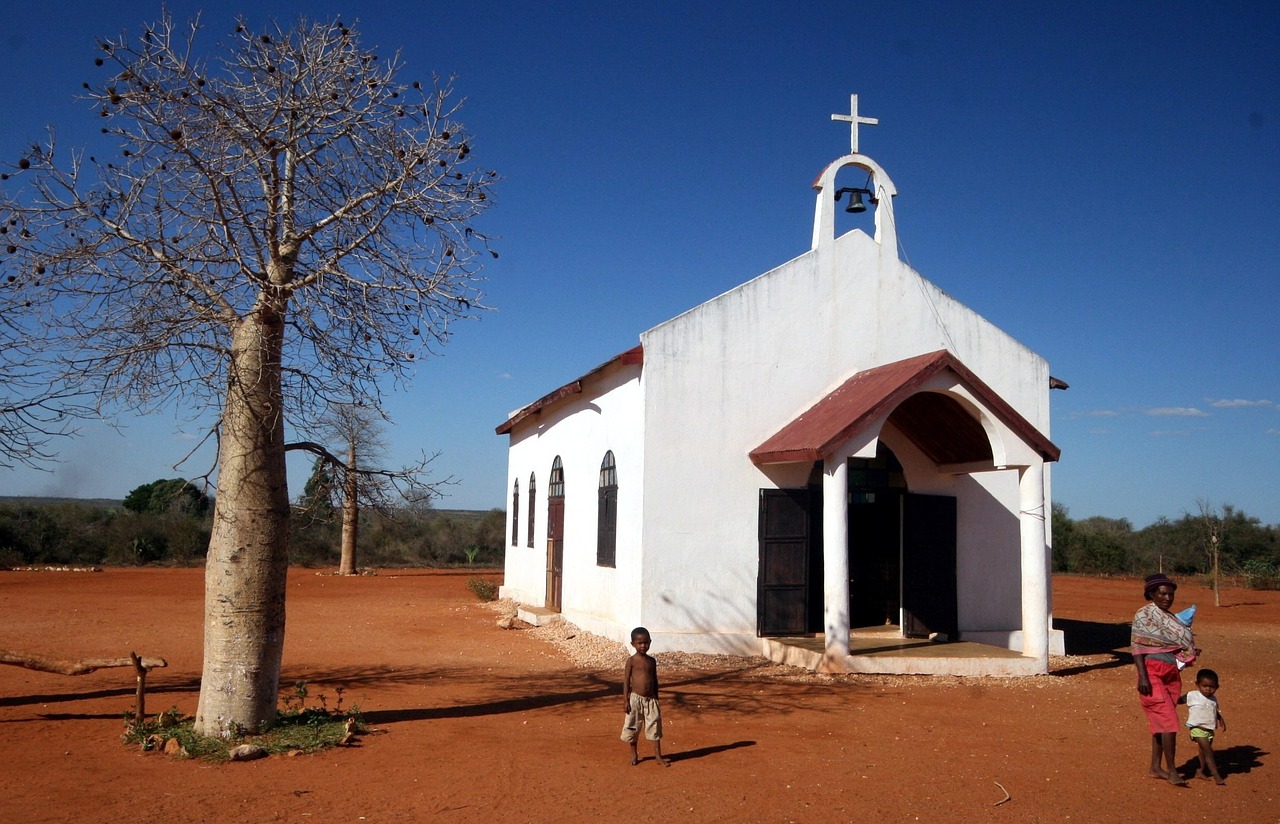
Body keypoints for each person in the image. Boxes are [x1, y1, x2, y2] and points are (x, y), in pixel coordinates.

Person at [1131, 573, 1199, 786]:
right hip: (1152, 671)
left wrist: (1188, 652)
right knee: (1169, 723)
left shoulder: (1170, 618)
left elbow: (1174, 645)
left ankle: (1155, 768)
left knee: (1162, 723)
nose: (1167, 598)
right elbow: (1137, 648)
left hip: (1171, 672)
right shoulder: (1144, 615)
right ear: (1151, 594)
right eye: (1163, 593)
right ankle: (1172, 771)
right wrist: (1142, 676)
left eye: (1170, 594)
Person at [621, 626, 670, 766]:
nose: (643, 645)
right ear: (633, 644)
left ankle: (658, 756)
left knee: (655, 726)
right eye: (639, 643)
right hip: (635, 699)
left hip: (651, 700)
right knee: (633, 727)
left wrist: (657, 698)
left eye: (646, 642)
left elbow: (655, 680)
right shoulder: (631, 661)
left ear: (650, 642)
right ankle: (634, 754)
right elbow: (626, 681)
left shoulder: (652, 661)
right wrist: (625, 700)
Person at [1179, 668, 1227, 784]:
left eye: (1212, 687)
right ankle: (1216, 774)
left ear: (1217, 687)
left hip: (1209, 730)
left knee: (1203, 752)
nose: (1208, 689)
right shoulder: (1192, 695)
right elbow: (1178, 700)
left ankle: (1200, 770)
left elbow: (1213, 711)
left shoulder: (1213, 699)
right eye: (1204, 686)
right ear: (1197, 684)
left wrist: (1220, 719)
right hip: (1197, 729)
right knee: (1209, 751)